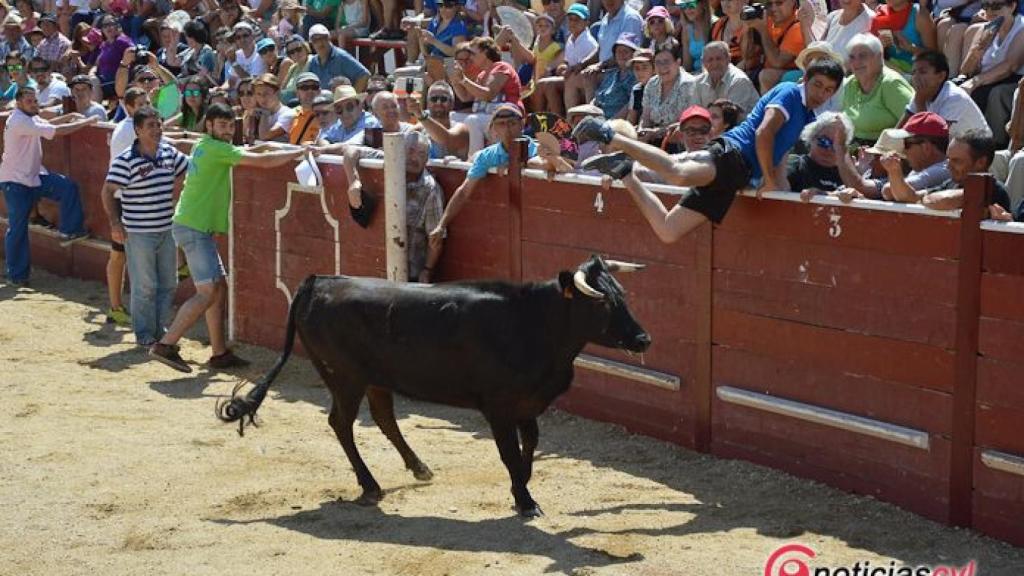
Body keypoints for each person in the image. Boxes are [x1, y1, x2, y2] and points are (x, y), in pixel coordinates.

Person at [574, 59, 844, 243]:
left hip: (738, 176)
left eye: (829, 89)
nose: (821, 93)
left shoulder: (808, 116)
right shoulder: (790, 93)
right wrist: (771, 181)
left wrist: (778, 186)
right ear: (805, 79)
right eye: (818, 84)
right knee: (677, 173)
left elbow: (781, 154)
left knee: (669, 230)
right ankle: (611, 135)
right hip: (734, 154)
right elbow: (764, 133)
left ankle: (625, 171)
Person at [149, 102, 307, 373]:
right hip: (195, 228)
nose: (227, 130)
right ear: (209, 125)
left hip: (193, 225)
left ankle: (219, 352)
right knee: (208, 291)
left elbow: (248, 152)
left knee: (217, 288)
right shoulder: (216, 149)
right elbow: (260, 161)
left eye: (230, 125)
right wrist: (299, 152)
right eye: (222, 125)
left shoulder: (206, 145)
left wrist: (279, 148)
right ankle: (165, 344)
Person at [101, 106, 190, 346]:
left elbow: (192, 169)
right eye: (150, 126)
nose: (157, 130)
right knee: (145, 285)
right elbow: (108, 191)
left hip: (166, 229)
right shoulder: (125, 161)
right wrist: (114, 222)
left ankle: (159, 331)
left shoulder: (169, 154)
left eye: (159, 124)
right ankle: (143, 334)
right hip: (139, 232)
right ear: (138, 130)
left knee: (168, 283)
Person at [1, 86, 96, 286]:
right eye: (30, 101)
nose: (35, 104)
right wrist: (87, 121)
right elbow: (56, 131)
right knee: (17, 228)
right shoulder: (19, 120)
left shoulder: (27, 117)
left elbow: (48, 124)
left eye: (35, 101)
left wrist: (68, 116)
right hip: (16, 182)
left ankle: (69, 230)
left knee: (67, 187)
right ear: (18, 103)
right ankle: (17, 275)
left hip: (32, 177)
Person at [343, 131, 445, 281]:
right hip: (373, 266)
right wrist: (353, 181)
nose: (414, 158)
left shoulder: (430, 190)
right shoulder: (389, 159)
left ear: (427, 160)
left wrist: (427, 269)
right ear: (400, 150)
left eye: (421, 154)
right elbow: (350, 150)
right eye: (411, 151)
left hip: (409, 273)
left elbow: (435, 238)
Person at [428, 103, 543, 237]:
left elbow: (552, 166)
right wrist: (442, 225)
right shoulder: (487, 156)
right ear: (493, 128)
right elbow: (464, 192)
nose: (507, 128)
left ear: (522, 125)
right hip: (503, 226)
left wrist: (520, 164)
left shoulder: (538, 150)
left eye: (512, 123)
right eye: (501, 124)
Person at [104, 86, 151, 326]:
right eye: (141, 104)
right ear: (129, 107)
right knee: (122, 256)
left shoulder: (130, 128)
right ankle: (116, 306)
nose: (146, 106)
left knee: (123, 256)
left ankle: (118, 306)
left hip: (130, 200)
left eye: (147, 102)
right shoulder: (129, 132)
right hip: (126, 202)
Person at [919, 131, 1013, 217]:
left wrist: (925, 198)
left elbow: (942, 202)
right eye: (949, 159)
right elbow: (916, 196)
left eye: (956, 161)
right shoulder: (952, 184)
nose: (948, 166)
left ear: (981, 162)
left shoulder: (994, 191)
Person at [841, 33, 913, 143]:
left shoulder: (890, 84)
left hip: (886, 151)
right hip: (854, 147)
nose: (856, 62)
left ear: (879, 56)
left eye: (863, 56)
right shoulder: (850, 83)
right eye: (852, 57)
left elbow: (914, 123)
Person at [902, 51, 991, 138]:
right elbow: (901, 129)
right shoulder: (922, 93)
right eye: (913, 73)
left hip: (976, 149)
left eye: (923, 72)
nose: (916, 77)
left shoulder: (954, 97)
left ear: (941, 76)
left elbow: (933, 139)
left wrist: (920, 102)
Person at [880, 111, 952, 202]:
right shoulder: (920, 169)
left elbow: (888, 191)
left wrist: (894, 171)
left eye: (907, 144)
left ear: (926, 148)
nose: (903, 151)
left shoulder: (942, 169)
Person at [639, 44, 693, 145]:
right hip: (652, 137)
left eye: (666, 62)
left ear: (678, 62)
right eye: (658, 62)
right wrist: (642, 131)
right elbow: (645, 117)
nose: (662, 67)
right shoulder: (652, 84)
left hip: (676, 140)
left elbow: (686, 122)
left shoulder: (688, 84)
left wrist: (656, 133)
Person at [747, 0, 805, 92]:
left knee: (766, 76)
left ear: (793, 2)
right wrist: (749, 27)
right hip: (765, 70)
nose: (773, 9)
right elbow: (748, 55)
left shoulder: (799, 25)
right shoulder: (767, 19)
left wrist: (762, 30)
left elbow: (777, 63)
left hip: (795, 75)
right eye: (769, 4)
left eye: (779, 3)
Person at [790, 110, 851, 198]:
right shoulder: (795, 165)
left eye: (835, 145)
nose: (828, 149)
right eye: (824, 141)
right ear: (812, 137)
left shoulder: (846, 176)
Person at [407, 80, 470, 160]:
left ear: (452, 104)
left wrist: (420, 115)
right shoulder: (419, 129)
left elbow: (447, 139)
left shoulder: (461, 129)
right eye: (434, 99)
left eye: (443, 99)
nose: (438, 102)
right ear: (428, 103)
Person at [693, 40, 759, 114]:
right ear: (703, 62)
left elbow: (730, 118)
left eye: (719, 59)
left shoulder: (739, 81)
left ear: (728, 59)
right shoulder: (698, 82)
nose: (715, 64)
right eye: (710, 60)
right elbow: (695, 112)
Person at [557, 2, 598, 112]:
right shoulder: (570, 39)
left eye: (577, 19)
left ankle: (570, 119)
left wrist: (569, 70)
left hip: (586, 80)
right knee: (546, 84)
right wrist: (563, 67)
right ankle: (557, 120)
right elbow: (567, 62)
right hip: (572, 77)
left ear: (586, 22)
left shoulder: (588, 42)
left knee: (571, 80)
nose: (572, 22)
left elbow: (586, 67)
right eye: (570, 19)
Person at [306, 23, 368, 91]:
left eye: (323, 38)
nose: (320, 43)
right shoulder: (313, 62)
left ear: (329, 38)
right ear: (311, 43)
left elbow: (364, 75)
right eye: (315, 40)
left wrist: (353, 97)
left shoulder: (341, 57)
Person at [251, 72, 294, 142]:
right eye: (258, 94)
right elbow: (247, 136)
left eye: (266, 94)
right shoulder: (257, 112)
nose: (262, 98)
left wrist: (264, 114)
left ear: (277, 93)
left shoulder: (288, 114)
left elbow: (264, 136)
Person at [678, 0, 711, 74]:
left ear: (703, 4)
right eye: (683, 5)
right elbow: (687, 65)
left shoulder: (715, 25)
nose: (687, 10)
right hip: (695, 75)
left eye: (691, 5)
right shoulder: (687, 30)